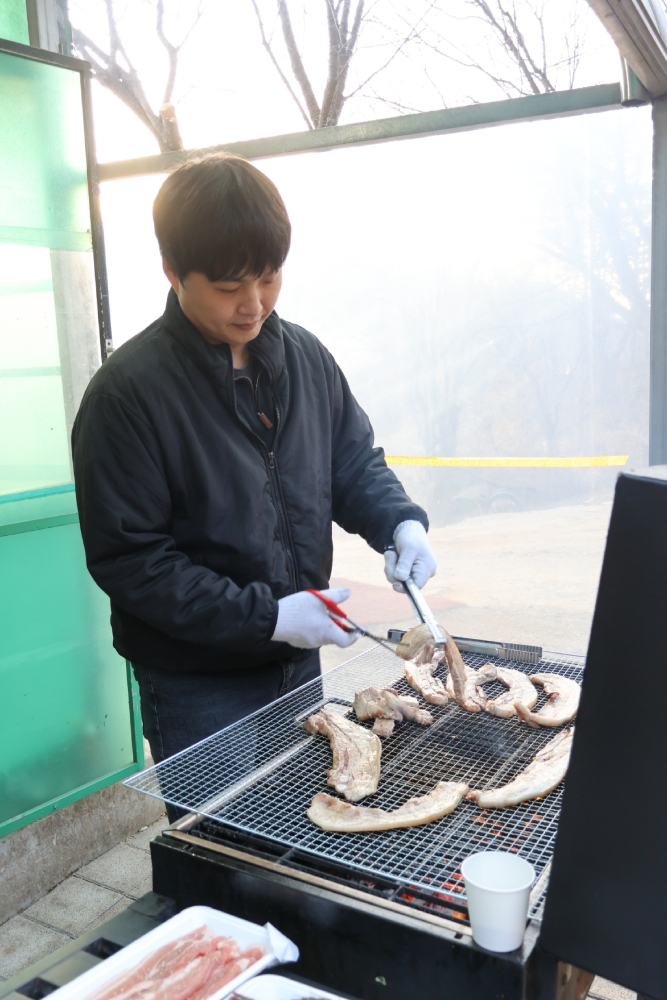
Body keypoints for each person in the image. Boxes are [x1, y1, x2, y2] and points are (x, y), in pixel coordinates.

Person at [72, 153, 437, 773]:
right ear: (172, 271)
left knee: (302, 810)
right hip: (197, 681)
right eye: (228, 287)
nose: (253, 303)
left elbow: (350, 461)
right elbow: (133, 560)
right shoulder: (127, 394)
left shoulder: (305, 358)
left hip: (296, 658)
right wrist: (269, 617)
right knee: (221, 832)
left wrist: (399, 522)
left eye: (268, 278)